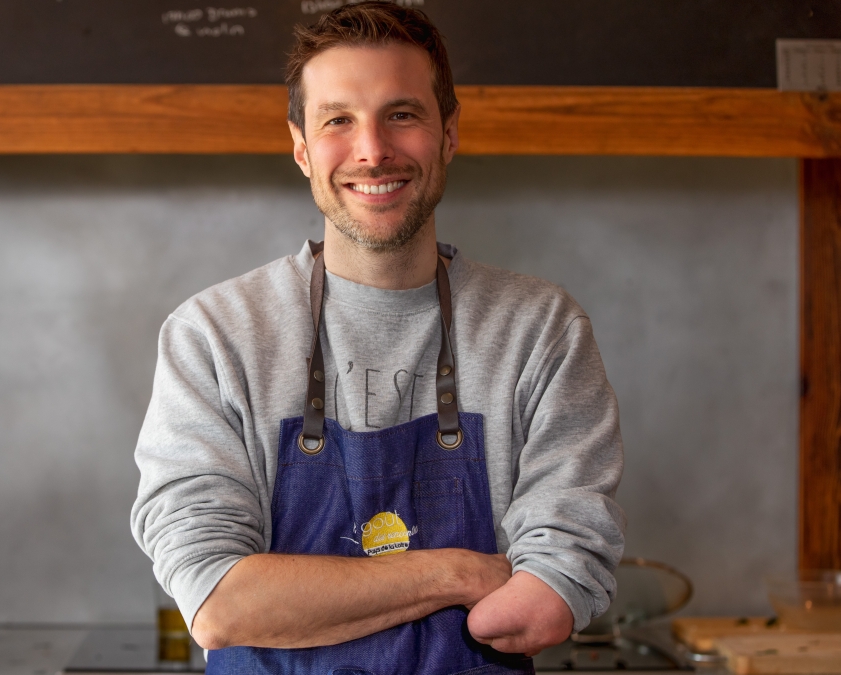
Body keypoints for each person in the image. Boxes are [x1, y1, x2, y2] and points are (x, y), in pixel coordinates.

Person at [130, 3, 625, 673]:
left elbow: (539, 603)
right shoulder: (214, 336)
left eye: (402, 114)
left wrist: (302, 596)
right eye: (338, 120)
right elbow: (221, 604)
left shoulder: (539, 331)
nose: (371, 150)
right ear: (302, 147)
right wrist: (455, 573)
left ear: (447, 134)